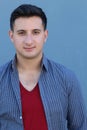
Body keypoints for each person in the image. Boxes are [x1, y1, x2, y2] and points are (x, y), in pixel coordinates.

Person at [0, 4, 87, 130]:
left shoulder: (67, 78)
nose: (29, 41)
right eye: (21, 33)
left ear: (45, 35)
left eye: (35, 32)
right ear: (11, 36)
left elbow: (80, 127)